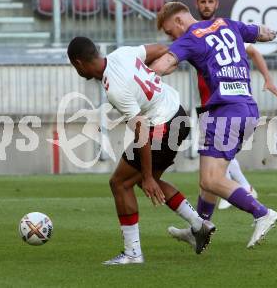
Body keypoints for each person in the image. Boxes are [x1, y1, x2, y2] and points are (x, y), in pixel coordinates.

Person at [67, 37, 216, 265]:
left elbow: (142, 131)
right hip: (178, 114)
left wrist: (146, 177)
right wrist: (154, 73)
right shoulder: (122, 53)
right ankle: (199, 225)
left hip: (161, 126)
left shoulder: (114, 88)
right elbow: (162, 48)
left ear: (78, 63)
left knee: (120, 183)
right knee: (142, 179)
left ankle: (133, 253)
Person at [150, 2, 277, 249]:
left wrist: (141, 75)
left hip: (225, 112)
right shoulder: (228, 24)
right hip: (246, 109)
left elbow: (165, 64)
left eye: (169, 32)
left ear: (178, 21)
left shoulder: (191, 37)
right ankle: (199, 228)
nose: (171, 36)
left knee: (210, 180)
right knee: (210, 177)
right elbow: (263, 33)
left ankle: (262, 213)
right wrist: (270, 33)